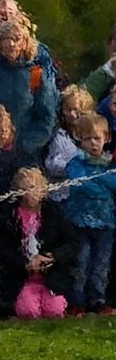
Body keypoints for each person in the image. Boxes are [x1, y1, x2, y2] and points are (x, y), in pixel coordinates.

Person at [0, 14, 58, 160]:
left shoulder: (36, 76)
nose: (11, 44)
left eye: (16, 39)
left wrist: (24, 145)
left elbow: (47, 118)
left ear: (25, 43)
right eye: (5, 39)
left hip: (24, 155)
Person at [0, 167, 72, 319]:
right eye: (25, 189)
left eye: (35, 188)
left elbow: (71, 243)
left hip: (50, 277)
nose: (30, 193)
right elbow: (2, 247)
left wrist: (52, 257)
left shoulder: (53, 212)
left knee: (55, 311)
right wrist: (24, 264)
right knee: (29, 312)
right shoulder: (8, 215)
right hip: (22, 277)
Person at [64, 117, 115, 314]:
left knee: (101, 264)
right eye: (87, 139)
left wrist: (101, 183)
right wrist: (103, 188)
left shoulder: (110, 164)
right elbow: (80, 182)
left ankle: (98, 299)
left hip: (106, 223)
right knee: (81, 262)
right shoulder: (76, 162)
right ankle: (77, 301)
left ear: (106, 138)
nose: (93, 143)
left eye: (97, 138)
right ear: (80, 139)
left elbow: (114, 184)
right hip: (80, 221)